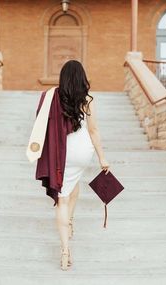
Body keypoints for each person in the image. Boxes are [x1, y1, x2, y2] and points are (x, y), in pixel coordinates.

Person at [35, 60, 109, 271]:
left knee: (62, 198)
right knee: (72, 184)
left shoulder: (53, 97)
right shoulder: (86, 99)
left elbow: (42, 124)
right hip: (83, 152)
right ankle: (71, 221)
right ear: (81, 77)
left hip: (61, 152)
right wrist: (102, 157)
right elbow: (93, 131)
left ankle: (65, 250)